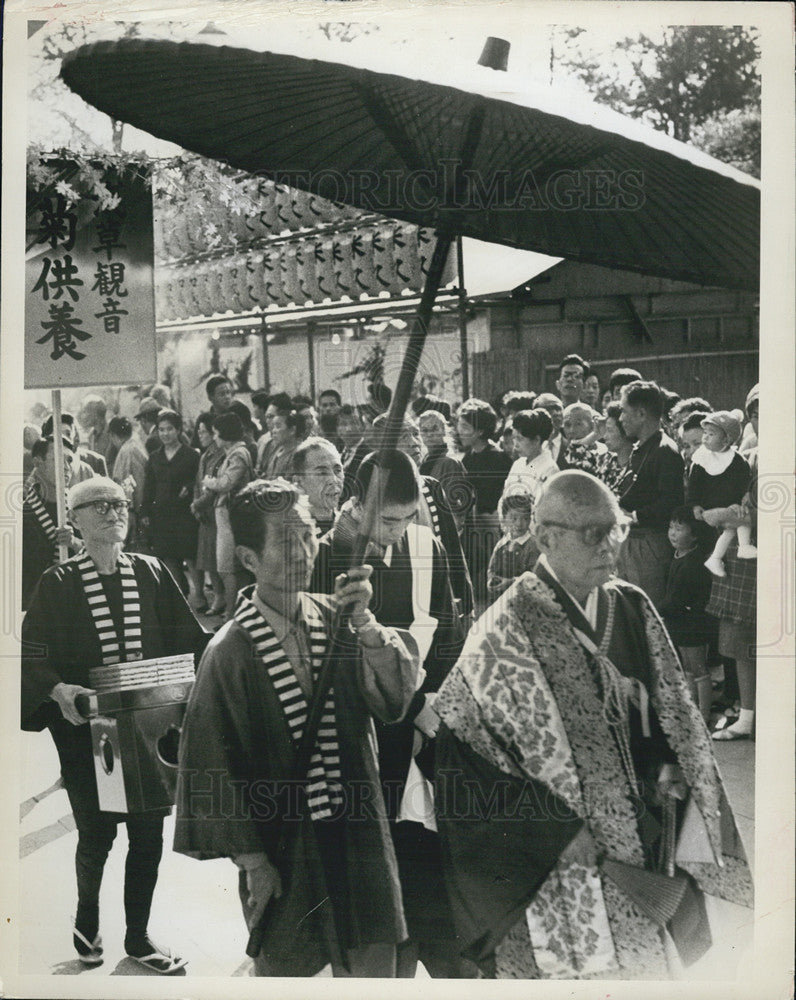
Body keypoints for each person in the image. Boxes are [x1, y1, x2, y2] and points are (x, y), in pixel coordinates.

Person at [434, 471, 753, 979]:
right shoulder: (501, 630)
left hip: (641, 850)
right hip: (553, 865)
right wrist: (549, 830)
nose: (610, 546)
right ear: (545, 537)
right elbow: (462, 758)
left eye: (617, 529)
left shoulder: (631, 605)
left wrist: (670, 764)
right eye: (593, 533)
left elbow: (673, 710)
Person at [174, 479, 419, 977]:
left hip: (358, 832)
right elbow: (207, 766)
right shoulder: (229, 652)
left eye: (309, 535)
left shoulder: (340, 618)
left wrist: (368, 625)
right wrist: (252, 861)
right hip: (286, 846)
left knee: (374, 966)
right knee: (292, 970)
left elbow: (393, 700)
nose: (305, 551)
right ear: (247, 558)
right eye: (286, 541)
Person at [21, 477, 210, 972]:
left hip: (150, 726)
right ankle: (87, 918)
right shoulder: (57, 582)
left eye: (119, 504)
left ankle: (139, 937)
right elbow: (34, 653)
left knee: (148, 833)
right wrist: (58, 689)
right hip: (86, 727)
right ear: (76, 520)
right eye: (98, 506)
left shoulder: (150, 571)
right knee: (97, 833)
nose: (112, 513)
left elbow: (191, 639)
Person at [311, 452, 472, 979]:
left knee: (423, 863)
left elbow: (451, 634)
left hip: (422, 735)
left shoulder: (427, 547)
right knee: (373, 875)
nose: (398, 532)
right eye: (387, 521)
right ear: (355, 506)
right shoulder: (323, 556)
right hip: (361, 737)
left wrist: (432, 706)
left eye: (407, 518)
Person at [706, 392, 759, 742]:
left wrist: (724, 515)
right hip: (744, 560)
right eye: (756, 414)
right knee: (741, 642)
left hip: (771, 555)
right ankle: (747, 717)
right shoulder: (750, 457)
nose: (761, 420)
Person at [616, 381, 684, 607]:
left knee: (647, 616)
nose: (621, 418)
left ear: (641, 413)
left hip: (649, 548)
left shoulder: (665, 451)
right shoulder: (642, 447)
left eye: (624, 411)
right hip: (630, 544)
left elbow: (670, 503)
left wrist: (634, 516)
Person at [660, 506, 717, 723]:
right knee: (687, 668)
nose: (673, 533)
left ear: (694, 535)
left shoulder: (693, 564)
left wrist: (657, 609)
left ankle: (703, 715)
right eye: (670, 527)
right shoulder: (677, 557)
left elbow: (677, 599)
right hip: (680, 622)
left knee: (698, 667)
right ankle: (692, 708)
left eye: (679, 528)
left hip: (693, 623)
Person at [141, 409, 202, 606]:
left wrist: (190, 488)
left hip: (184, 512)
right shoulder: (155, 457)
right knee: (168, 556)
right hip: (162, 514)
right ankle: (180, 598)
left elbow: (198, 481)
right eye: (161, 430)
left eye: (169, 429)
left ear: (178, 430)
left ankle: (199, 595)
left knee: (190, 555)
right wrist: (145, 511)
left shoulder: (191, 455)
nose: (165, 434)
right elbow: (148, 486)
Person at [457, 399, 512, 604]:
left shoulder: (498, 458)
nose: (459, 431)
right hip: (472, 526)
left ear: (480, 431)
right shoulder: (468, 458)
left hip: (491, 526)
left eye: (465, 426)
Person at [685, 411, 752, 577]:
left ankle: (741, 547)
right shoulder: (701, 458)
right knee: (727, 530)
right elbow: (694, 485)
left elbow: (743, 484)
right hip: (707, 509)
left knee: (738, 523)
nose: (705, 438)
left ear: (726, 439)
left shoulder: (738, 462)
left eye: (711, 434)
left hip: (730, 506)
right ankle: (718, 557)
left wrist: (740, 502)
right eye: (705, 434)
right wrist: (694, 505)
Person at [202, 412, 254, 621]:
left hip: (231, 514)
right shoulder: (235, 453)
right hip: (226, 514)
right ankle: (235, 611)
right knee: (231, 566)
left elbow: (226, 483)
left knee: (227, 566)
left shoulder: (238, 454)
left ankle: (231, 613)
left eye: (216, 433)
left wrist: (209, 482)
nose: (214, 437)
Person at [22, 436, 83, 609]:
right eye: (58, 459)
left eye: (70, 460)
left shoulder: (79, 508)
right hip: (37, 604)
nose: (66, 467)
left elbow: (98, 551)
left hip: (75, 601)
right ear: (38, 462)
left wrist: (74, 543)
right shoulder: (23, 513)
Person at [190, 412, 227, 615]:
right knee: (207, 558)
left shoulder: (222, 454)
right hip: (204, 514)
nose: (201, 434)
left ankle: (222, 597)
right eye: (199, 431)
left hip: (215, 512)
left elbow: (215, 486)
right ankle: (219, 597)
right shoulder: (204, 455)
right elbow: (199, 483)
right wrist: (196, 504)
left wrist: (198, 504)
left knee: (218, 557)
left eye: (205, 431)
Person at [499, 408, 557, 511]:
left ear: (536, 440)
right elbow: (504, 499)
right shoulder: (518, 464)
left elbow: (543, 509)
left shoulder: (550, 469)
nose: (515, 445)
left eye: (520, 439)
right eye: (514, 438)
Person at [560, 402, 623, 491]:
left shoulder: (607, 453)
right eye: (567, 425)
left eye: (578, 424)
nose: (572, 430)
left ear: (592, 425)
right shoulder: (563, 451)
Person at [487, 493, 538, 599]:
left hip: (525, 598)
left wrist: (511, 582)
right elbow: (492, 569)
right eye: (514, 519)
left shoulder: (533, 545)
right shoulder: (502, 544)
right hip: (503, 596)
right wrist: (492, 580)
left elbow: (535, 576)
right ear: (504, 519)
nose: (519, 523)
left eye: (525, 518)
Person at [291, 436, 345, 536]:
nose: (333, 480)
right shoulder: (293, 534)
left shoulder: (350, 525)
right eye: (322, 473)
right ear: (298, 482)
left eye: (338, 471)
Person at [108, 416, 148, 547]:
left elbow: (129, 484)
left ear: (113, 435)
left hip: (133, 511)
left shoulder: (127, 451)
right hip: (138, 510)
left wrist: (130, 513)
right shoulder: (136, 444)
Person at [79, 393, 117, 472]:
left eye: (85, 412)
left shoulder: (113, 434)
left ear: (95, 414)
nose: (83, 416)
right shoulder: (91, 437)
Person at [602, 401, 634, 493]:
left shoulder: (638, 464)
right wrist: (595, 434)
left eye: (610, 430)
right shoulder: (605, 461)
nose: (605, 436)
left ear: (624, 431)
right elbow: (572, 456)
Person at [533, 393, 567, 467]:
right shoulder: (528, 447)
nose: (555, 413)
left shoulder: (571, 447)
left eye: (558, 408)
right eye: (548, 409)